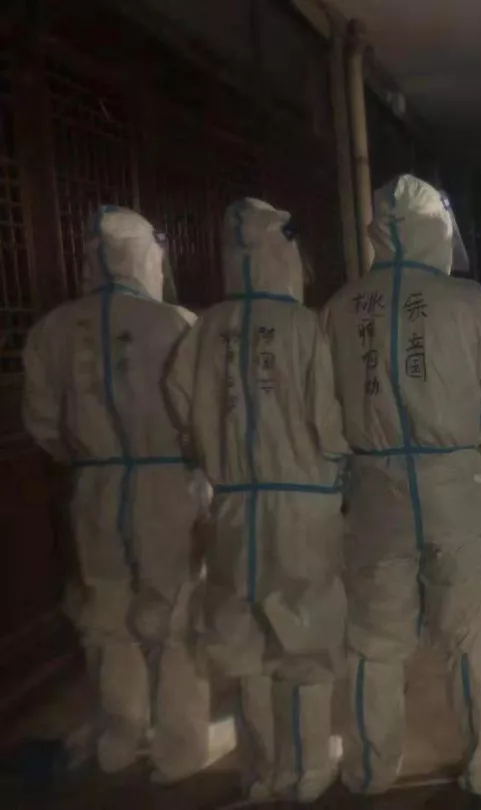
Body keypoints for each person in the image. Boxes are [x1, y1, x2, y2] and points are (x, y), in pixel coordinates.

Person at [321, 175, 481, 796]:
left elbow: (324, 409)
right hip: (452, 480)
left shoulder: (342, 307)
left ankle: (371, 769)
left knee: (374, 639)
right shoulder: (467, 300)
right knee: (469, 630)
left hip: (374, 487)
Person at [165, 199, 348, 802]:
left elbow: (180, 408)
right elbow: (330, 421)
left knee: (243, 640)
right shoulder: (303, 327)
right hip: (301, 504)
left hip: (233, 507)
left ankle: (262, 770)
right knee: (305, 634)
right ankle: (308, 767)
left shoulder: (204, 330)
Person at [22, 206, 210, 781]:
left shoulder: (52, 330)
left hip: (96, 487)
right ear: (148, 257)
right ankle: (180, 749)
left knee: (105, 616)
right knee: (175, 613)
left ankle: (119, 737)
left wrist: (89, 459)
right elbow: (204, 416)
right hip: (168, 488)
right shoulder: (178, 323)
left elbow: (43, 423)